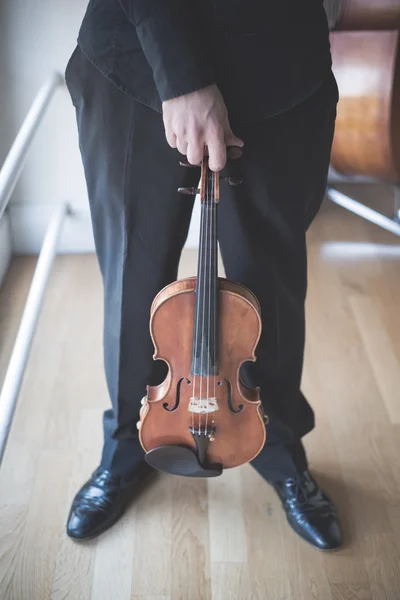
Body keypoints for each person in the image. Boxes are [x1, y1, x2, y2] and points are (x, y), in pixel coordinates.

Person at [65, 0, 341, 550]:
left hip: (280, 67)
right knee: (132, 276)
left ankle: (278, 445)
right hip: (138, 63)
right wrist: (183, 77)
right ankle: (127, 443)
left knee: (272, 285)